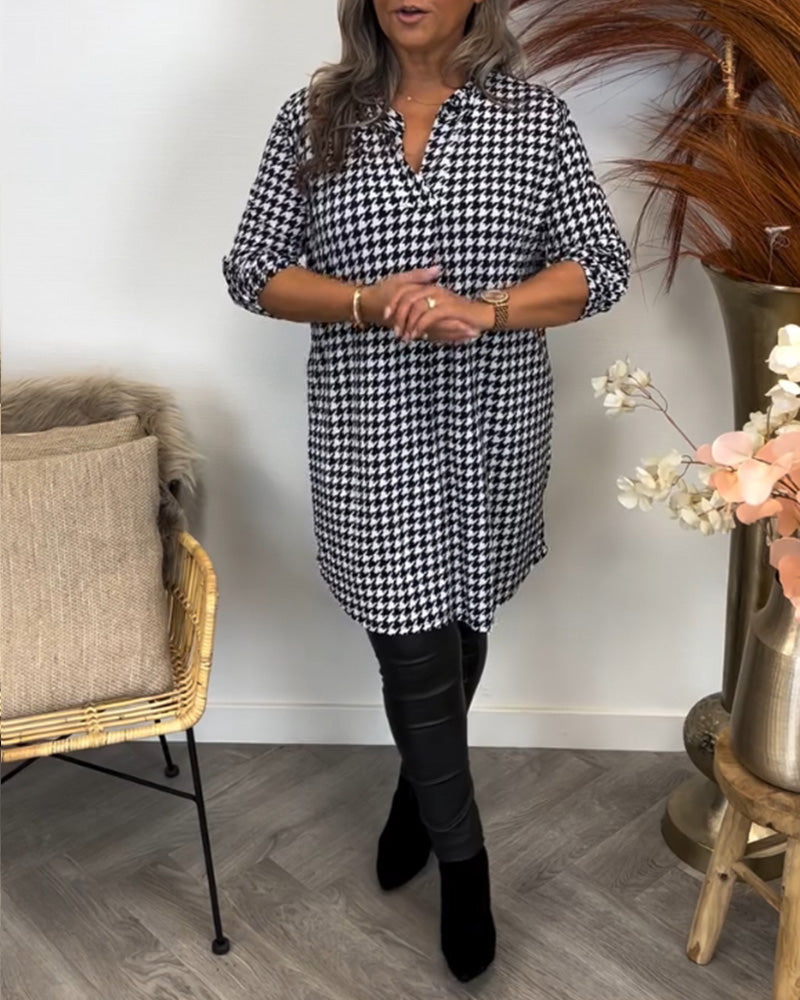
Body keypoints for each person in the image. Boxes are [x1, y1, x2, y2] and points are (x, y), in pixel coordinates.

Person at [222, 0, 630, 983]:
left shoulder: (534, 120)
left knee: (462, 618)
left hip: (495, 425)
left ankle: (416, 794)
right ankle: (464, 863)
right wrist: (368, 300)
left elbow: (600, 268)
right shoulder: (314, 119)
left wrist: (484, 310)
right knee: (410, 640)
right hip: (368, 429)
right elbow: (253, 270)